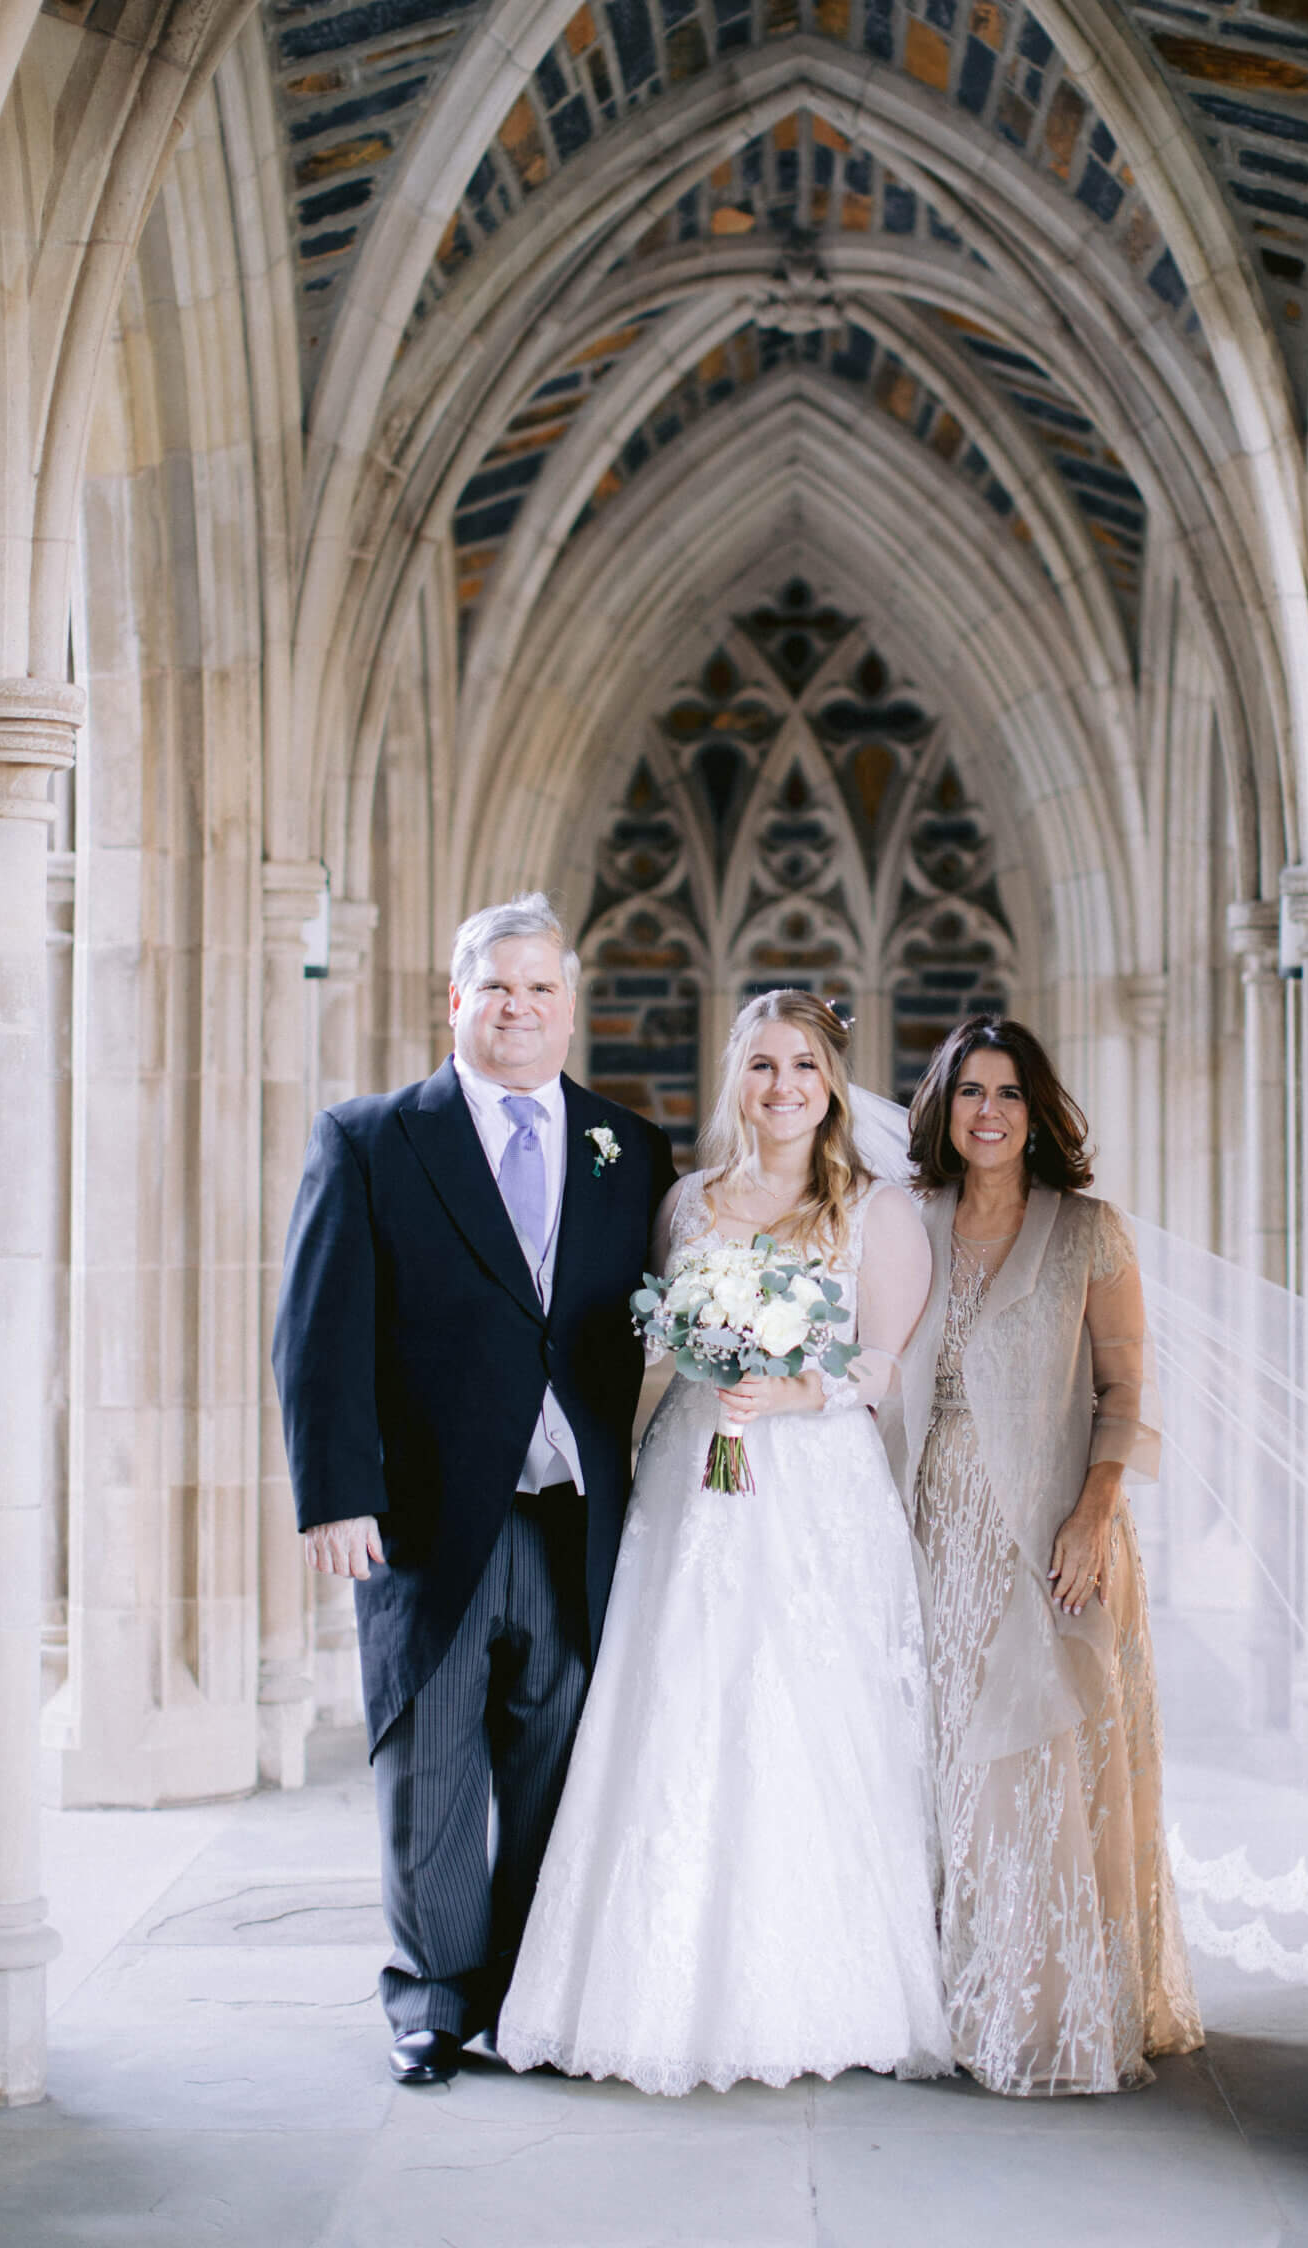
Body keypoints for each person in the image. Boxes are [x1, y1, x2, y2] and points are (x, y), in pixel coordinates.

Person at [498, 992, 952, 2093]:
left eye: (804, 1064)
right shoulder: (688, 1203)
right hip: (692, 1483)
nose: (783, 1085)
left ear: (834, 1083)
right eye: (761, 1064)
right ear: (733, 1078)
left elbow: (882, 1367)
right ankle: (641, 1989)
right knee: (679, 1704)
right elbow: (654, 1343)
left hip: (815, 1490)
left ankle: (821, 1986)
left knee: (807, 1713)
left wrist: (795, 1390)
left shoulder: (877, 1211)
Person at [271, 892, 676, 2086]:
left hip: (573, 1515)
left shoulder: (627, 1146)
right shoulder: (371, 1139)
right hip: (430, 1518)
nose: (519, 1007)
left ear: (569, 1004)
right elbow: (318, 1333)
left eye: (541, 988)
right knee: (431, 1761)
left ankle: (530, 1991)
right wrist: (334, 1495)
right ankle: (433, 2001)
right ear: (456, 999)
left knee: (558, 1752)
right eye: (497, 986)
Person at [894, 1016, 1202, 2095]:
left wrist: (1092, 1513)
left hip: (1052, 1528)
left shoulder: (1088, 1232)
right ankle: (949, 1996)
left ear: (1038, 1111)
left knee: (1038, 1770)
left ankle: (1044, 2011)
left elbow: (1124, 1394)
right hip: (932, 1526)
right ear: (944, 1107)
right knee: (944, 1769)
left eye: (1010, 1093)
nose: (989, 1112)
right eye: (971, 1091)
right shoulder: (905, 1224)